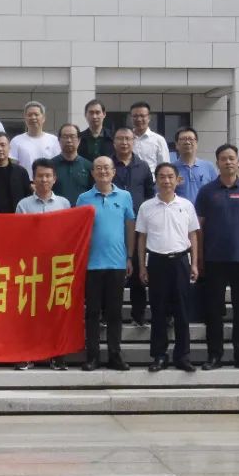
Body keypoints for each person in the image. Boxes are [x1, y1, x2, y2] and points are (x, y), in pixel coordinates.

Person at [195, 144, 239, 372]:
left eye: (232, 158)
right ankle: (214, 355)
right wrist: (199, 257)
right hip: (213, 259)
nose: (228, 162)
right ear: (217, 163)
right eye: (223, 159)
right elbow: (199, 227)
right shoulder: (206, 191)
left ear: (238, 162)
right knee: (213, 310)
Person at [136, 162, 198, 373]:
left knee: (182, 311)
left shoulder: (186, 205)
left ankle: (183, 356)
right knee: (158, 310)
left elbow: (193, 235)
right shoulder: (146, 207)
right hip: (156, 262)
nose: (166, 180)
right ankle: (159, 356)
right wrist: (142, 266)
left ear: (177, 180)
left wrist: (194, 263)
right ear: (156, 180)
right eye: (162, 176)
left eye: (170, 176)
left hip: (180, 261)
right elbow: (142, 238)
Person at [76, 157, 135, 372]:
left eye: (107, 168)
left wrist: (129, 256)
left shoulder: (125, 196)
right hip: (91, 264)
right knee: (92, 313)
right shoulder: (83, 198)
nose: (103, 171)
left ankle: (114, 355)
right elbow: (78, 230)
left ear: (113, 172)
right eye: (98, 168)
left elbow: (130, 227)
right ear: (92, 173)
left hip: (117, 263)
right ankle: (92, 356)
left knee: (115, 313)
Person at [15, 158, 71, 371]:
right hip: (31, 267)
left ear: (54, 179)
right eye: (40, 176)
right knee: (30, 313)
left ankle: (56, 355)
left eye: (48, 176)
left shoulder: (64, 204)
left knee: (55, 312)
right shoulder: (23, 205)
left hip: (57, 266)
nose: (44, 180)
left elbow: (69, 233)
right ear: (33, 178)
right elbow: (18, 236)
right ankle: (28, 354)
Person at [111, 127, 154, 327]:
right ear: (114, 142)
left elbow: (149, 194)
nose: (124, 142)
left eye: (128, 139)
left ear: (134, 141)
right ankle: (110, 314)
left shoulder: (142, 166)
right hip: (113, 225)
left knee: (137, 269)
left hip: (138, 226)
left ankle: (139, 314)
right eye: (120, 139)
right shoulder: (108, 165)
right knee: (113, 273)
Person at [9, 101, 60, 168]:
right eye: (29, 115)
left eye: (36, 114)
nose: (33, 117)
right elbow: (13, 166)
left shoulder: (54, 140)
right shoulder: (16, 141)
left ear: (43, 118)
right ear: (25, 118)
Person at [173, 126, 217, 202]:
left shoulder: (208, 167)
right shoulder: (171, 169)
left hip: (204, 209)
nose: (187, 142)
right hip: (179, 209)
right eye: (183, 139)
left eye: (191, 139)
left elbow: (216, 191)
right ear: (177, 144)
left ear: (196, 143)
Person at [54, 123, 93, 206]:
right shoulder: (50, 166)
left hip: (81, 211)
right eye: (65, 136)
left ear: (79, 140)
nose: (69, 140)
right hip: (57, 211)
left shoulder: (89, 166)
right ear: (59, 140)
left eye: (72, 136)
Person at [130, 101, 172, 168]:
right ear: (131, 118)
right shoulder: (126, 139)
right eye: (135, 116)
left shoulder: (159, 140)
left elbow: (165, 166)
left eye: (142, 116)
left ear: (149, 118)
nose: (139, 119)